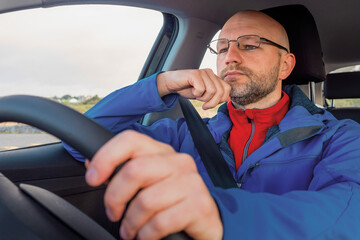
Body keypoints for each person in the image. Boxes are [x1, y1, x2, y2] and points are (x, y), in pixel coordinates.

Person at [64, 10, 360, 240]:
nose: (230, 57)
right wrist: (162, 83)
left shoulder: (338, 137)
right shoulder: (186, 135)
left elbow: (348, 213)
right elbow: (79, 140)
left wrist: (220, 216)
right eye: (221, 49)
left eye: (250, 45)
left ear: (285, 65)